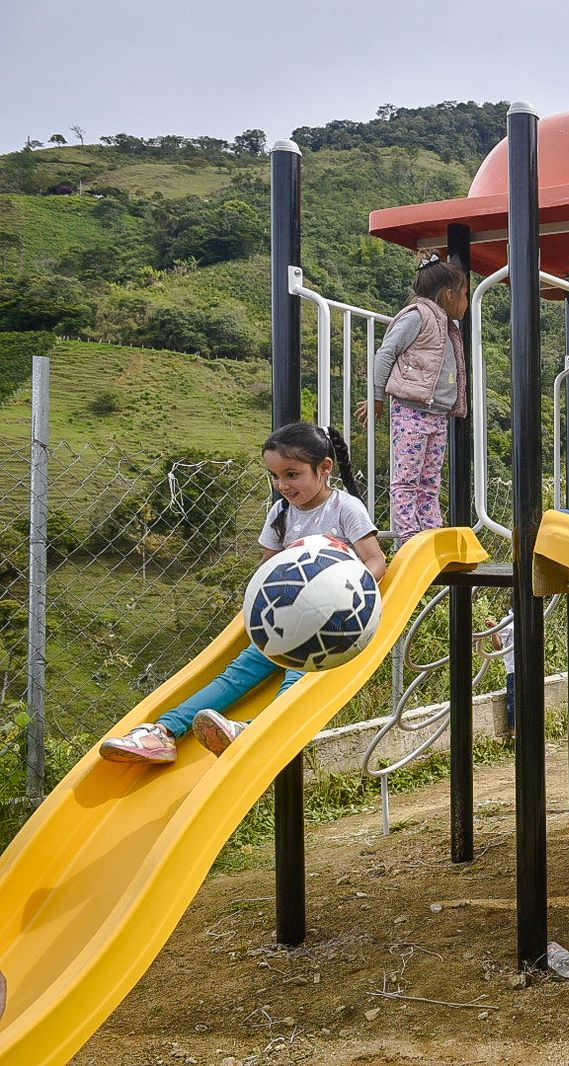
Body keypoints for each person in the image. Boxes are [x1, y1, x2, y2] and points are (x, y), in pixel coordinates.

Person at [100, 424, 385, 763]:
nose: (283, 485)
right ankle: (164, 732)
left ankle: (256, 728)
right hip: (284, 619)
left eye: (292, 474)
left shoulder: (344, 508)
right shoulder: (280, 514)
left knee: (300, 674)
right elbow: (268, 571)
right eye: (276, 476)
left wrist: (353, 593)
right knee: (238, 673)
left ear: (325, 468)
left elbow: (376, 559)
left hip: (332, 627)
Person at [360, 255, 471, 545]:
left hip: (437, 414)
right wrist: (377, 397)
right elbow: (386, 353)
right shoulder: (418, 316)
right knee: (407, 478)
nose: (466, 301)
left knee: (430, 481)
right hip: (411, 410)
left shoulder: (447, 325)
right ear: (449, 294)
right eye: (466, 294)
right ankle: (407, 537)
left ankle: (431, 533)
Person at [493, 609, 516, 736]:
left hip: (531, 667)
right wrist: (494, 629)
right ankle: (515, 737)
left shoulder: (531, 614)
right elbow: (498, 646)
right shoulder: (507, 621)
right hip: (514, 669)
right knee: (514, 704)